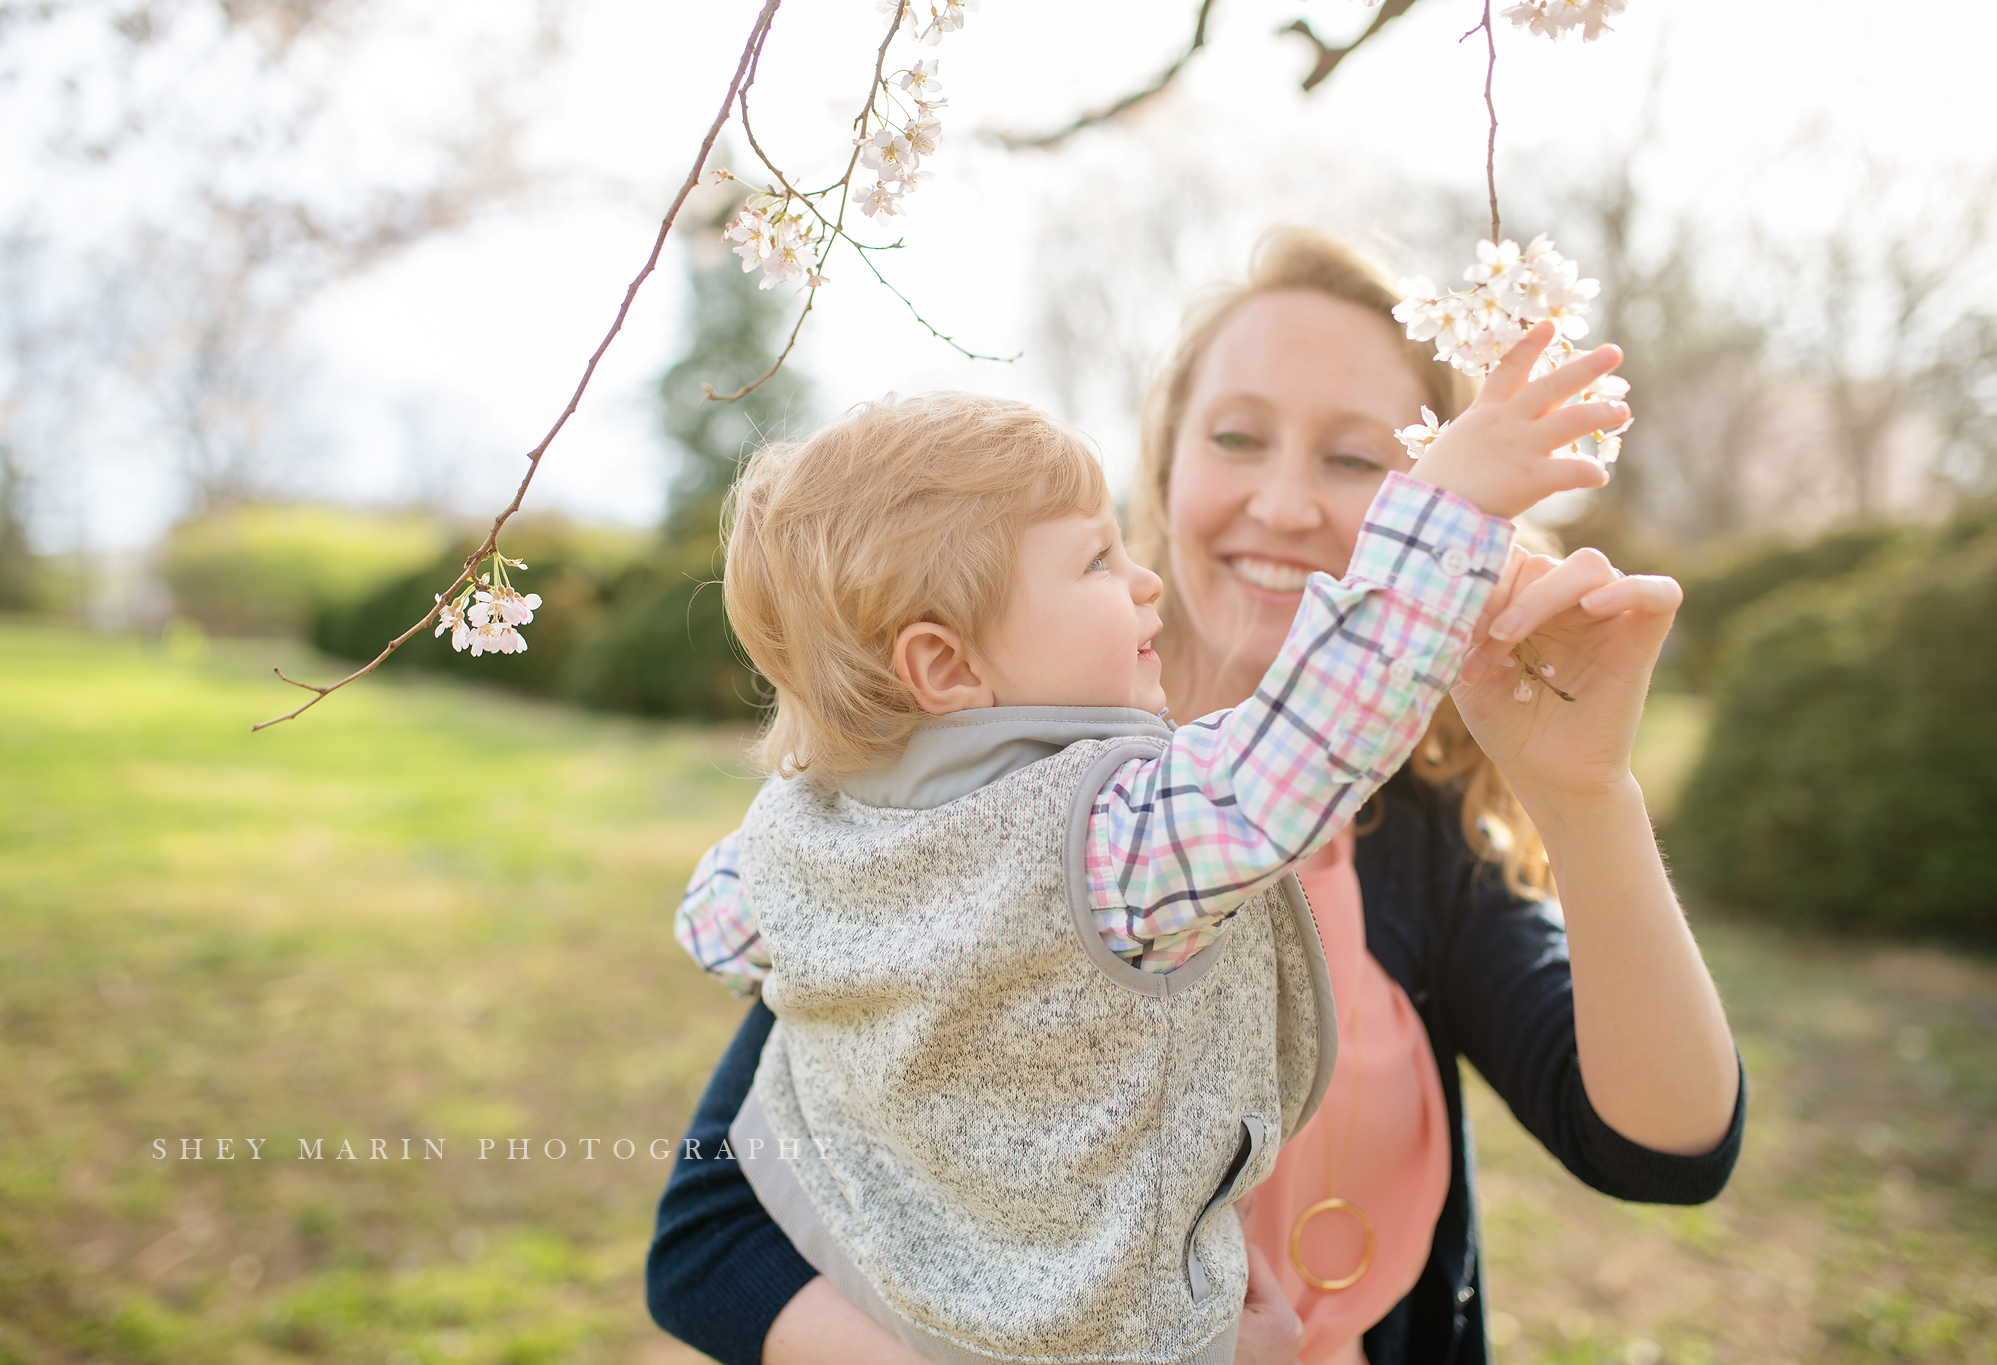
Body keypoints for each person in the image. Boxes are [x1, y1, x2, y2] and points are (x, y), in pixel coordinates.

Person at [647, 231, 1744, 1365]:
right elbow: (710, 1238)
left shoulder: (1411, 838)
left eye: (1365, 463)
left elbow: (1661, 1151)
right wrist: (1450, 506)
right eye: (1235, 438)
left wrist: (1585, 793)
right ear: (1164, 464)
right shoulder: (1052, 830)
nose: (1279, 502)